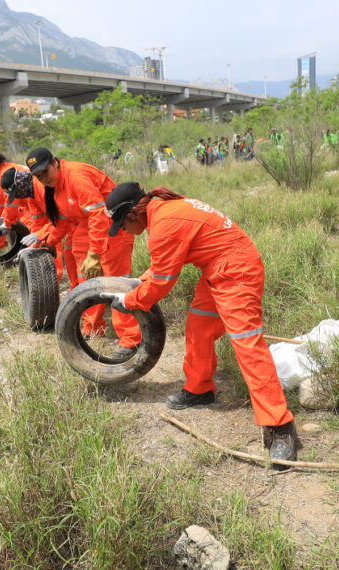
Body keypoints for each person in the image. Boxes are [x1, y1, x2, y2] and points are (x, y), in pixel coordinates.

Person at [99, 182, 299, 462]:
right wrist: (132, 286)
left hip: (236, 270)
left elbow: (161, 283)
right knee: (198, 326)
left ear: (133, 215)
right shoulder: (164, 212)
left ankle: (280, 426)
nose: (123, 231)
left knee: (247, 346)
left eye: (122, 225)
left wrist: (129, 301)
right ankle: (199, 389)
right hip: (218, 267)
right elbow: (160, 269)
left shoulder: (164, 224)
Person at [25, 147, 140, 358]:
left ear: (55, 162)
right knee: (89, 280)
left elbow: (98, 214)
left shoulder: (75, 177)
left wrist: (94, 253)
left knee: (117, 284)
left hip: (115, 230)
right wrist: (47, 240)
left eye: (45, 172)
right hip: (92, 231)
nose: (43, 179)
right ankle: (93, 328)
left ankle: (131, 340)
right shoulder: (57, 188)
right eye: (38, 177)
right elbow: (65, 221)